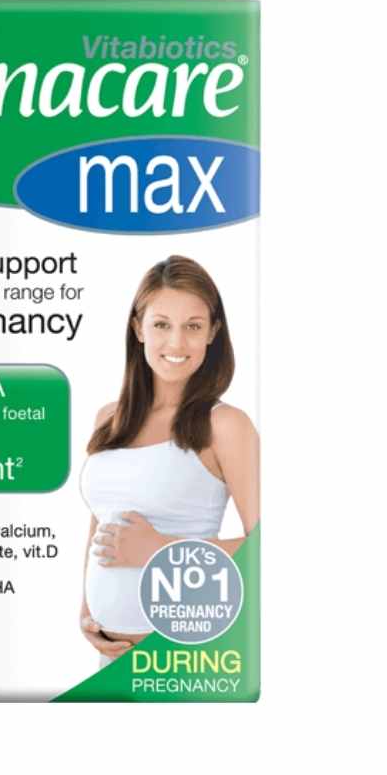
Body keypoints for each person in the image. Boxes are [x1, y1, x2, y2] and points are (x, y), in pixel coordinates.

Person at [79, 255, 259, 661]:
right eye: (161, 324)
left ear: (213, 332)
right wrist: (87, 610)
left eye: (192, 326)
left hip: (180, 654)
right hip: (109, 654)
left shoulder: (225, 426)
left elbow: (267, 547)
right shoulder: (109, 418)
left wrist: (163, 550)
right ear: (137, 328)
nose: (176, 343)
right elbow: (101, 522)